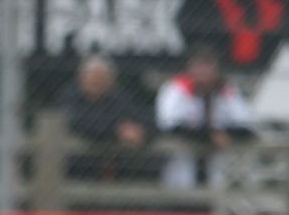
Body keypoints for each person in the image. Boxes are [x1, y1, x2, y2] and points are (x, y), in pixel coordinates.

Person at [155, 46, 258, 190]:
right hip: (182, 166)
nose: (203, 73)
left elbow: (248, 126)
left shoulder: (226, 90)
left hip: (217, 168)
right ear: (190, 69)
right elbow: (169, 126)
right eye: (199, 67)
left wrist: (226, 134)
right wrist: (210, 136)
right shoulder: (176, 89)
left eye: (208, 67)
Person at [54, 55, 146, 181]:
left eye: (102, 78)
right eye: (93, 78)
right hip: (76, 168)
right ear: (81, 78)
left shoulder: (119, 97)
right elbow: (82, 123)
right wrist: (117, 131)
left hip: (115, 169)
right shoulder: (69, 97)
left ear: (111, 80)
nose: (97, 82)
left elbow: (140, 120)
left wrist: (139, 130)